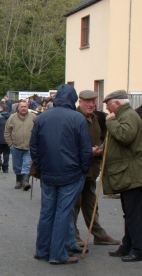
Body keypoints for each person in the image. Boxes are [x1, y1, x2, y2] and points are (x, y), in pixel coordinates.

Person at [30, 84, 92, 264]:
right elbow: (85, 149)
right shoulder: (77, 118)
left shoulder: (42, 118)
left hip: (48, 172)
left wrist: (41, 168)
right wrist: (84, 169)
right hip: (71, 173)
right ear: (72, 99)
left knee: (47, 212)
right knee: (63, 213)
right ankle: (58, 254)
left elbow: (34, 147)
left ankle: (42, 250)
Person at [102, 90, 142, 262]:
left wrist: (110, 123)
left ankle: (138, 250)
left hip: (136, 173)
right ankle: (127, 245)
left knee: (135, 214)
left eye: (108, 104)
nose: (107, 108)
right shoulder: (125, 115)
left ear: (117, 103)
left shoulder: (129, 116)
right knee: (130, 213)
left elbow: (125, 136)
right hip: (132, 173)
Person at [74, 90, 121, 247]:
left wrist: (101, 149)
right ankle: (73, 236)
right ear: (80, 102)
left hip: (92, 168)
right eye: (87, 101)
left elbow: (99, 138)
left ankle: (99, 235)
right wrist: (89, 151)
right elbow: (71, 143)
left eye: (93, 101)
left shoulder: (95, 118)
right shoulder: (75, 117)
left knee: (91, 204)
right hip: (78, 169)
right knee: (75, 204)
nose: (91, 104)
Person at [4, 100, 36, 191]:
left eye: (25, 106)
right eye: (22, 106)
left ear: (27, 107)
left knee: (27, 164)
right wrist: (10, 144)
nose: (23, 108)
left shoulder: (33, 117)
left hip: (29, 146)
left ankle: (25, 182)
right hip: (16, 146)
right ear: (18, 108)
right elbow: (7, 132)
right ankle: (19, 181)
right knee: (17, 165)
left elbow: (38, 131)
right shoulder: (12, 118)